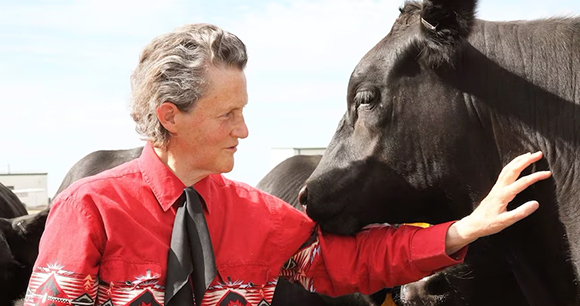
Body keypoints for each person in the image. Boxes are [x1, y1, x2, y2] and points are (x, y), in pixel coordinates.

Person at [23, 23, 550, 306]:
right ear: (171, 116)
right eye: (228, 114)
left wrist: (464, 230)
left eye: (244, 111)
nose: (244, 130)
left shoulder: (261, 216)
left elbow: (352, 262)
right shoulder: (87, 208)